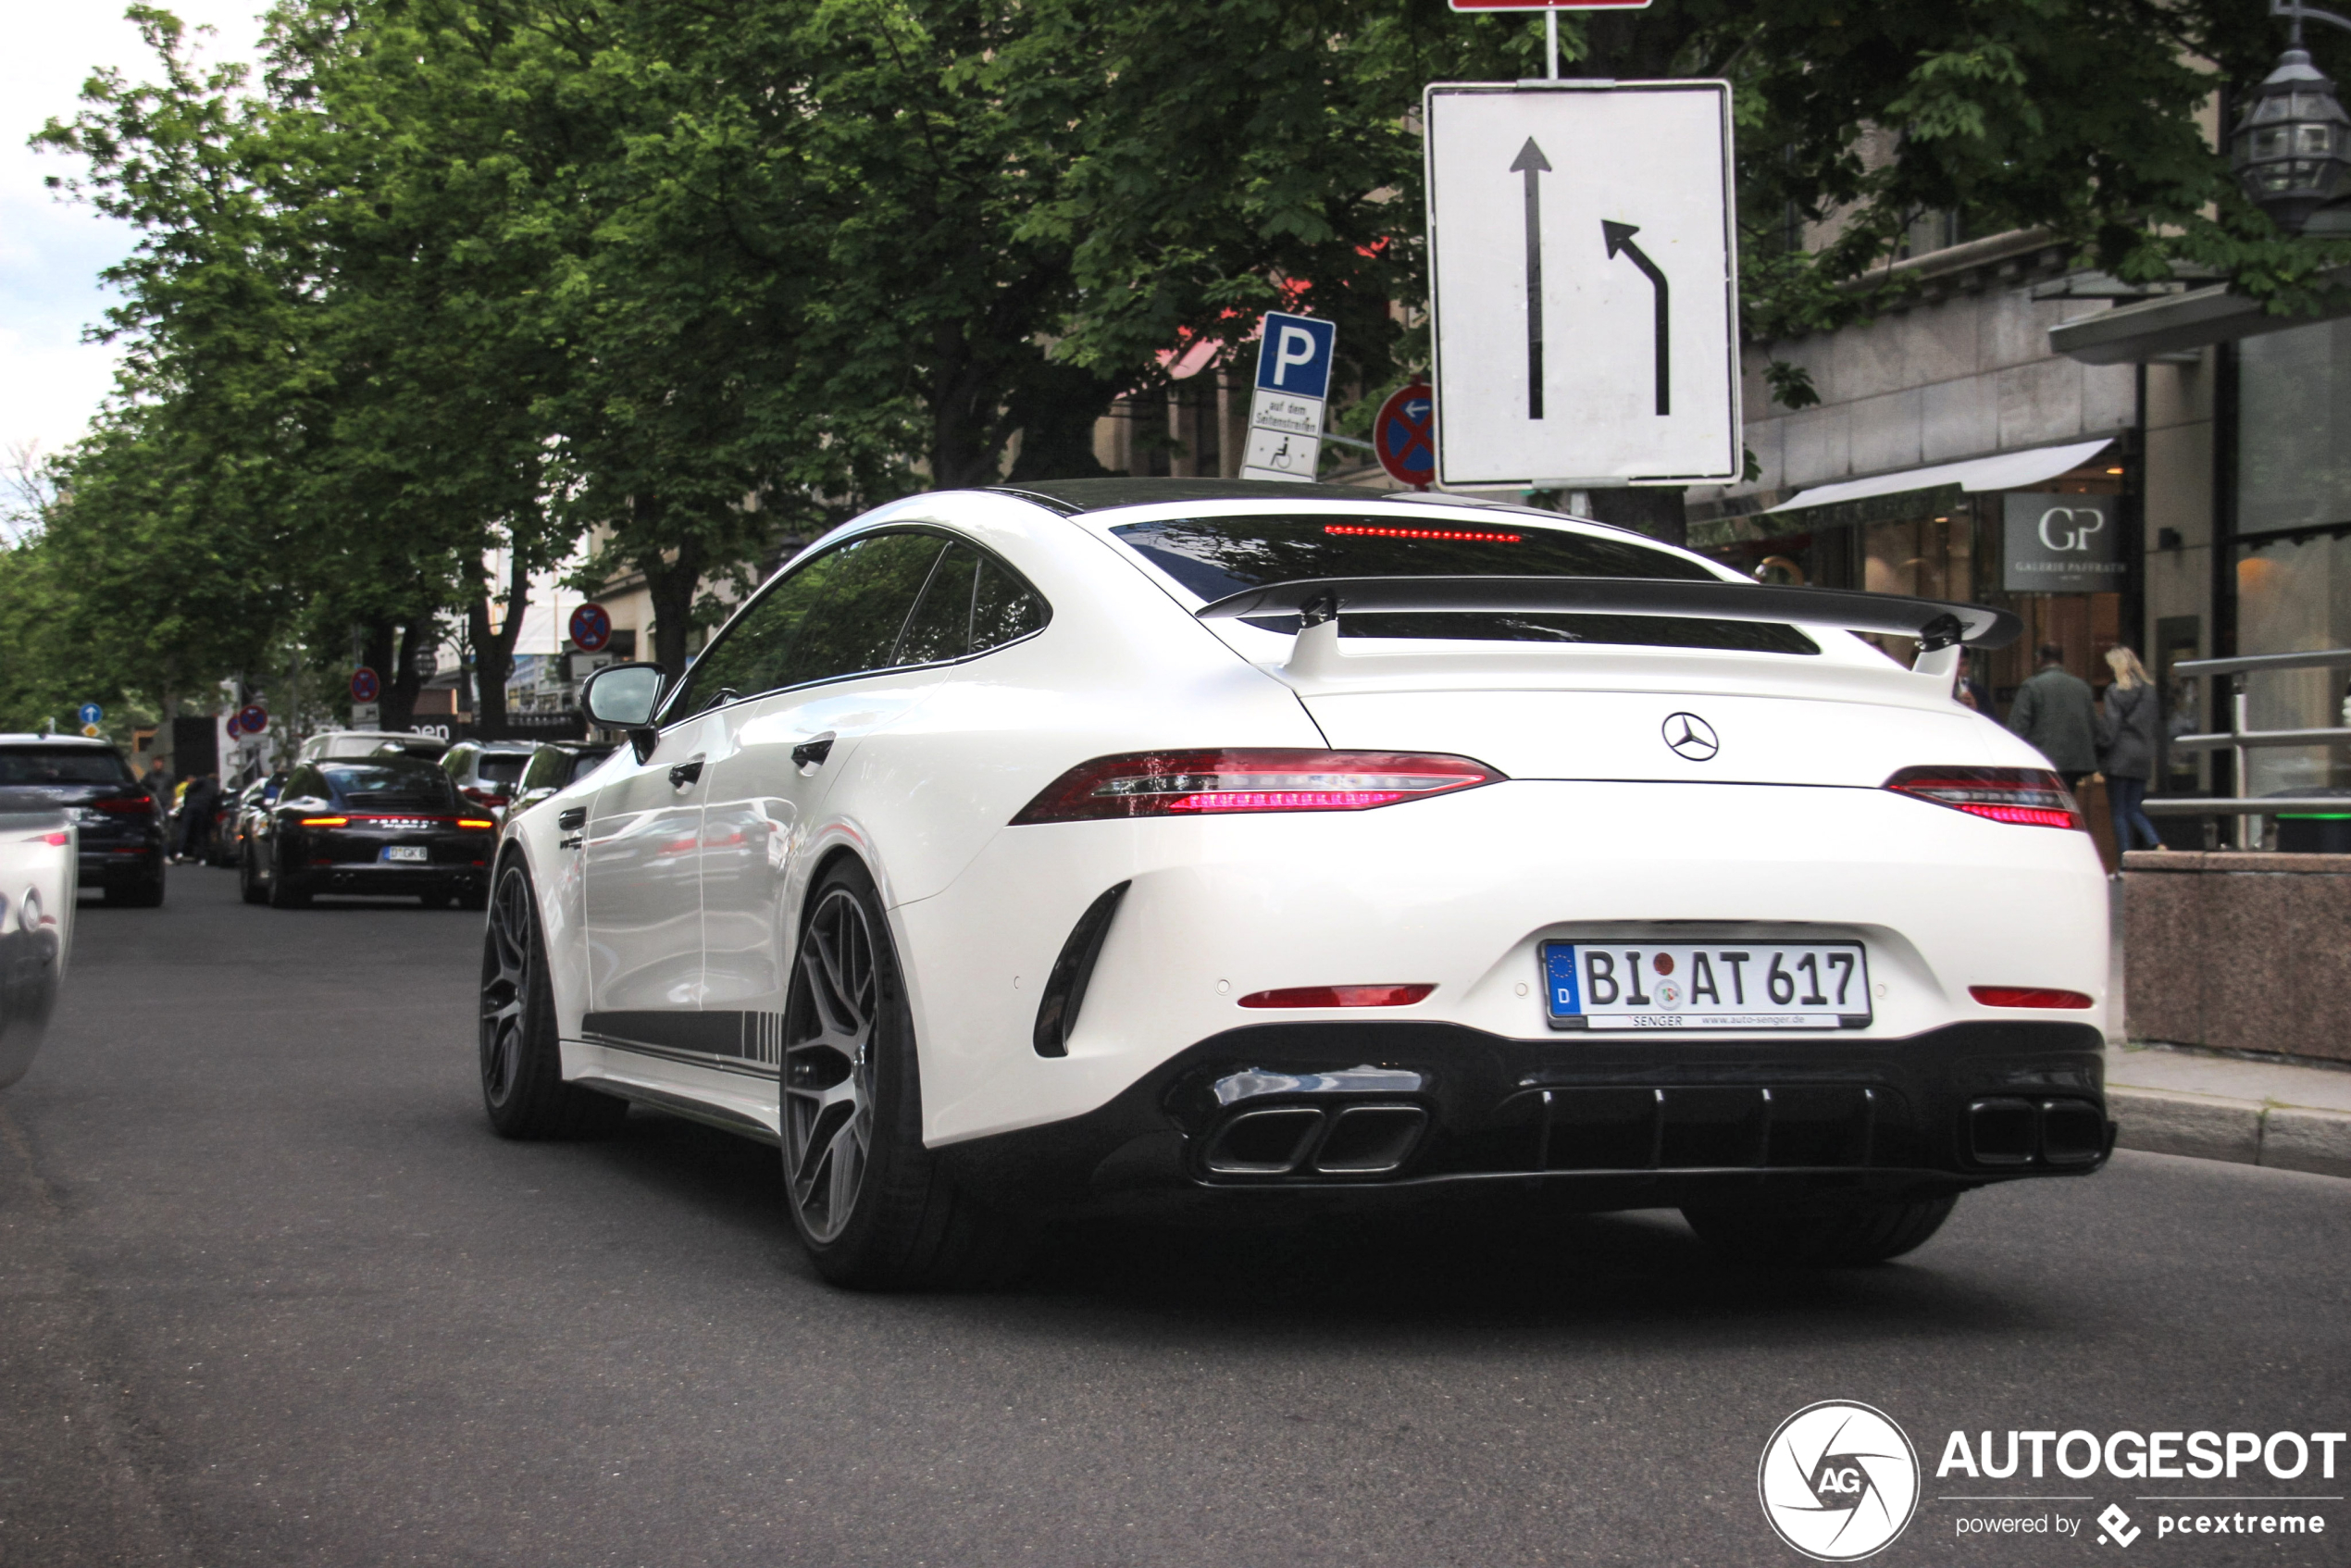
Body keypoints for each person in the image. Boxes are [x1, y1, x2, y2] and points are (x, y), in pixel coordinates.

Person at [2007, 642, 2099, 789]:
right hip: (2075, 762)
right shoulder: (2082, 687)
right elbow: (2093, 726)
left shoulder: (2032, 686)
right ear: (2061, 660)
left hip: (2041, 760)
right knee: (2066, 801)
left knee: (2040, 804)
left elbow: (2018, 727)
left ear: (2040, 659)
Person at [2099, 647, 2164, 852]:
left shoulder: (2115, 691)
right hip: (2143, 755)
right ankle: (2155, 841)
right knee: (2134, 807)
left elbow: (2111, 727)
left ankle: (2124, 861)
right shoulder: (2149, 691)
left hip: (2120, 757)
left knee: (2119, 811)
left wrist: (2099, 748)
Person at [177, 770, 220, 863]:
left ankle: (179, 852)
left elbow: (188, 789)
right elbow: (215, 804)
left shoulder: (202, 779)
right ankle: (202, 857)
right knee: (201, 833)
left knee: (185, 829)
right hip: (204, 809)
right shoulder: (215, 788)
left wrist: (186, 804)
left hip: (191, 806)